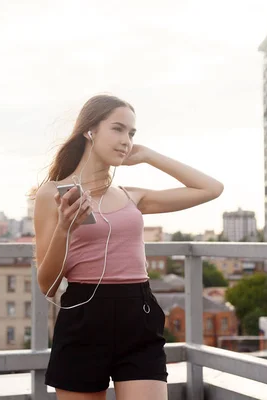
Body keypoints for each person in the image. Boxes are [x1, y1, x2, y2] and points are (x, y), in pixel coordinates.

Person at [33, 94, 224, 400]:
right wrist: (63, 230)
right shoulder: (53, 195)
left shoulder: (131, 195)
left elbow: (211, 188)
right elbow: (48, 284)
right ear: (89, 131)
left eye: (132, 133)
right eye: (118, 129)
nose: (126, 141)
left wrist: (149, 155)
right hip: (84, 315)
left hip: (139, 313)